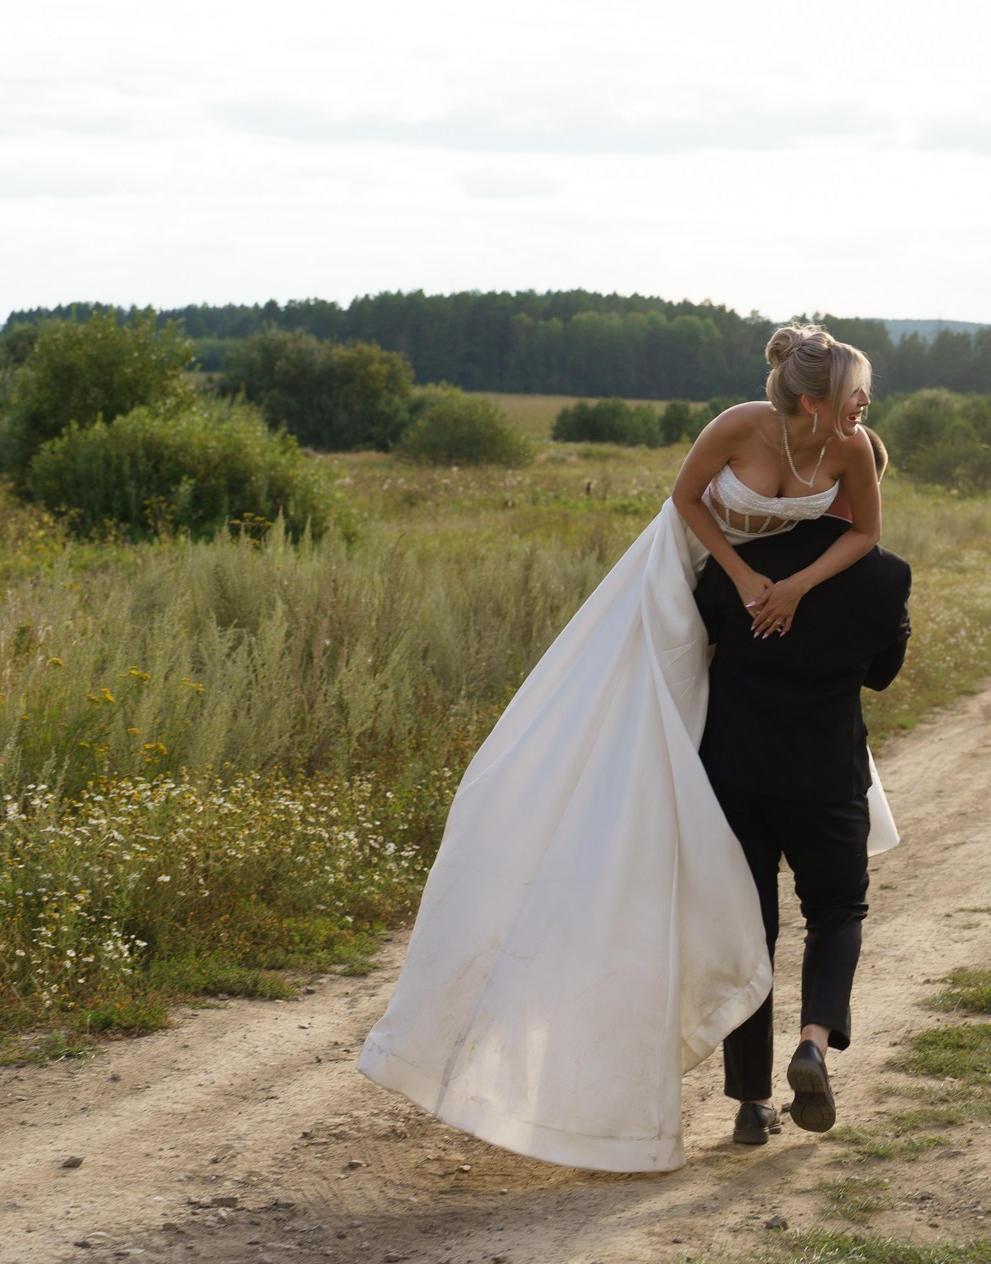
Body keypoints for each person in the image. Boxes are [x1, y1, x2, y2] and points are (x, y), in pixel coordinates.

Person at [357, 326, 897, 1173]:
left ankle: (751, 1095)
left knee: (747, 863)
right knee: (644, 732)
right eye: (856, 393)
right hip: (697, 576)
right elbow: (686, 502)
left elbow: (863, 532)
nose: (868, 405)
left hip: (774, 593)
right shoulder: (737, 426)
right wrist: (745, 576)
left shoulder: (854, 448)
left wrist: (790, 585)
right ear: (811, 402)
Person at [692, 505, 910, 1146]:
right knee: (838, 910)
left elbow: (694, 643)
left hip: (735, 776)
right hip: (825, 779)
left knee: (749, 930)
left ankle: (750, 1105)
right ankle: (813, 1043)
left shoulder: (735, 563)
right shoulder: (885, 575)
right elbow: (882, 674)